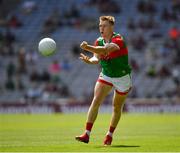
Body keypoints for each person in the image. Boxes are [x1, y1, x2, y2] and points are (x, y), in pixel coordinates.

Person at [75, 16, 132, 146]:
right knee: (96, 100)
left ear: (111, 27)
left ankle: (109, 134)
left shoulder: (118, 39)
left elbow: (106, 49)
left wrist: (87, 47)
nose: (101, 28)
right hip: (106, 75)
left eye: (104, 25)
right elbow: (97, 58)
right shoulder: (98, 41)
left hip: (122, 77)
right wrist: (89, 61)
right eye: (100, 25)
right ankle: (86, 134)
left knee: (116, 107)